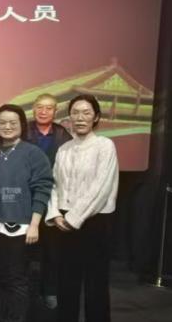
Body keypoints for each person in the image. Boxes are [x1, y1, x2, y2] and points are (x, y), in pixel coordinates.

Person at [46, 94, 119, 322]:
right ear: (69, 117)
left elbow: (100, 188)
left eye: (86, 113)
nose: (80, 118)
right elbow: (54, 184)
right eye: (75, 113)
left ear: (96, 117)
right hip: (64, 221)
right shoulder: (64, 149)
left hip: (94, 221)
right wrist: (55, 214)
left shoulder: (105, 146)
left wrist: (73, 218)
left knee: (96, 284)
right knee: (66, 281)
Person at [0, 104, 53, 322]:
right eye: (2, 123)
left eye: (13, 123)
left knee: (17, 280)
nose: (7, 127)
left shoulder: (33, 153)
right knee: (3, 278)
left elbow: (43, 189)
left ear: (22, 125)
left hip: (22, 228)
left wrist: (35, 224)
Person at [24, 93, 70, 309]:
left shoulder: (63, 135)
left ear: (55, 111)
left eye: (49, 108)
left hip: (53, 198)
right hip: (25, 197)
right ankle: (24, 291)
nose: (43, 111)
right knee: (23, 249)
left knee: (52, 250)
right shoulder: (22, 130)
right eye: (40, 107)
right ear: (33, 108)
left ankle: (50, 290)